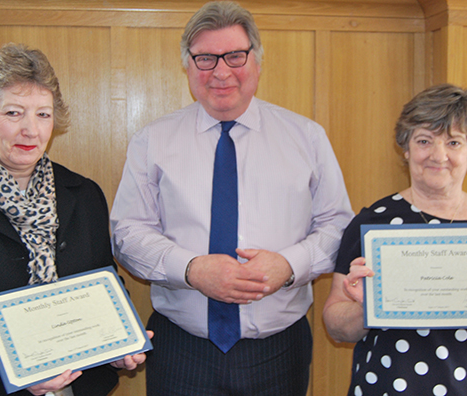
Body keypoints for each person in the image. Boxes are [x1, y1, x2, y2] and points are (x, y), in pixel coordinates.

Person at [110, 1, 353, 395]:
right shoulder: (152, 140)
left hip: (279, 348)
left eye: (235, 56)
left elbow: (338, 225)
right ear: (187, 66)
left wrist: (288, 266)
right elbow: (127, 232)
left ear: (257, 62)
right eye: (205, 58)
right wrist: (192, 269)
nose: (221, 72)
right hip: (181, 349)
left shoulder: (306, 138)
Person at [0, 43, 149, 396]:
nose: (31, 129)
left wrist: (119, 344)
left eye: (43, 114)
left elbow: (102, 283)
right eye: (14, 113)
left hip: (76, 385)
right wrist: (16, 372)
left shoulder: (83, 193)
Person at [323, 83, 467, 395]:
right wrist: (368, 307)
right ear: (405, 148)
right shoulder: (372, 222)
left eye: (454, 142)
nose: (438, 155)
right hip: (388, 387)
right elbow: (336, 327)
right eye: (424, 140)